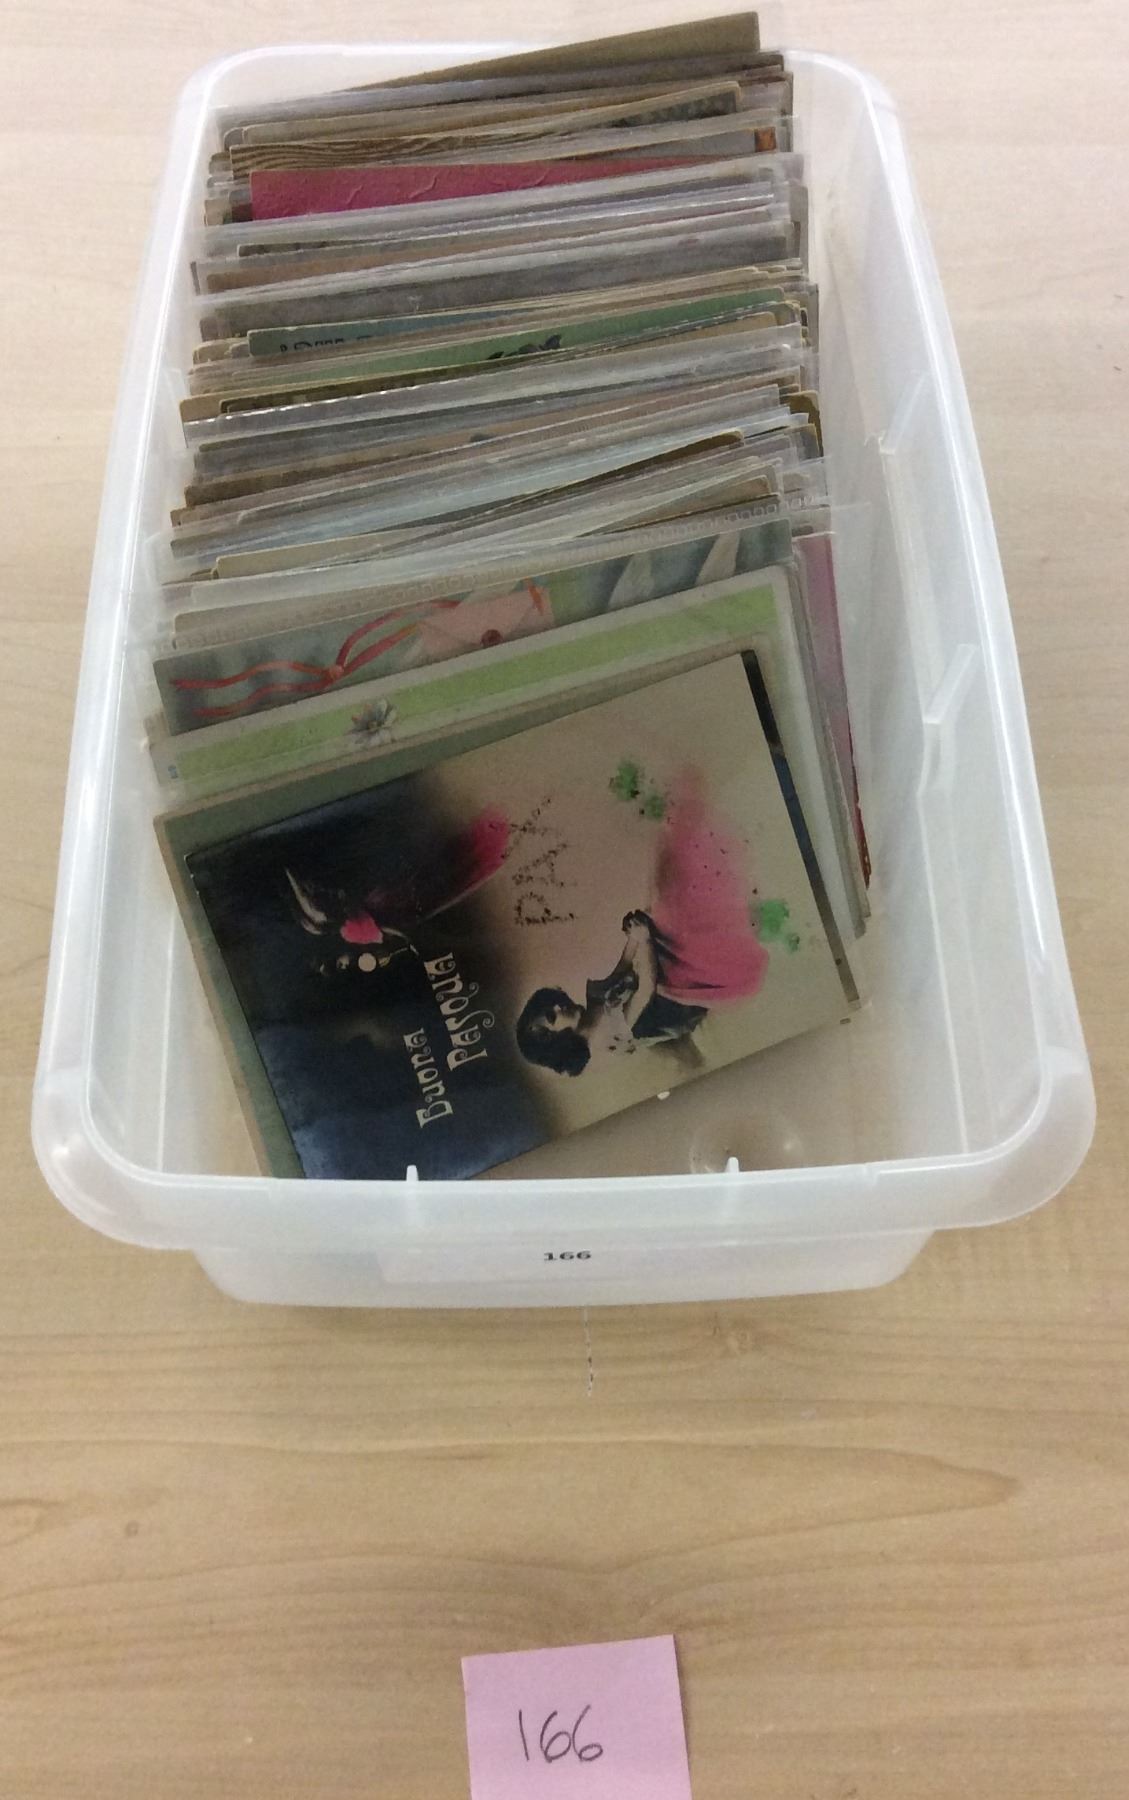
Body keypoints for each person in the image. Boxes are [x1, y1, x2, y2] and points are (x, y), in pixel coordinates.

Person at [515, 770, 770, 1076]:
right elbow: (648, 991)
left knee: (667, 900)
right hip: (673, 995)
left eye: (548, 1008)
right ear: (557, 1043)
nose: (557, 1009)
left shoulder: (594, 996)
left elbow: (623, 971)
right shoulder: (608, 1037)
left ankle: (690, 826)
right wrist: (644, 939)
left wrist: (632, 939)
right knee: (678, 904)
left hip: (664, 982)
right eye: (550, 1020)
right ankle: (693, 828)